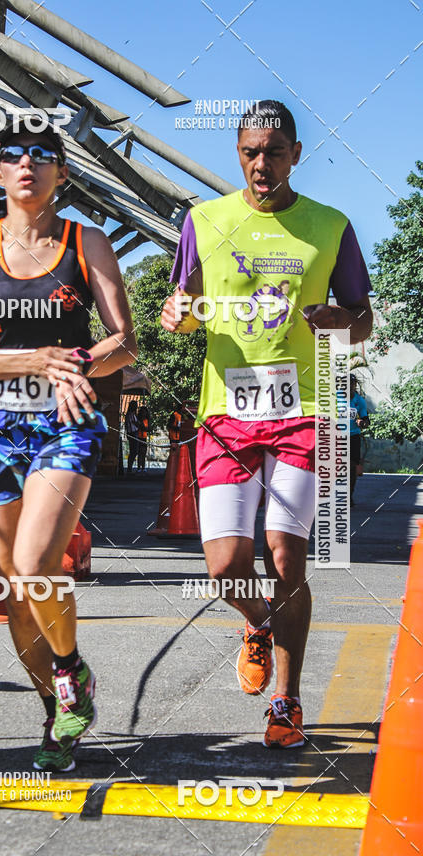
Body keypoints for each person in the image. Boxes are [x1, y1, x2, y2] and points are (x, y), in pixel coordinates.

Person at [161, 100, 373, 748]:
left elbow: (363, 315)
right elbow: (188, 304)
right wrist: (179, 316)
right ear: (238, 153)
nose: (262, 164)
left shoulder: (330, 226)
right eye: (251, 152)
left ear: (296, 155)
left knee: (287, 554)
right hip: (227, 412)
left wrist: (345, 322)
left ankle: (288, 700)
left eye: (274, 153)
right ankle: (256, 623)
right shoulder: (204, 221)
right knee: (228, 565)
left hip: (303, 412)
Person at [0, 120, 136, 771]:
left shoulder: (88, 243)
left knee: (33, 566)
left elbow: (124, 342)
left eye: (43, 156)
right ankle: (58, 716)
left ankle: (72, 669)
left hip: (65, 423)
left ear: (62, 173)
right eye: (12, 156)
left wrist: (74, 360)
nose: (27, 164)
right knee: (17, 595)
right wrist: (34, 359)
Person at [349, 373, 369, 506]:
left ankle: (348, 495)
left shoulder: (359, 401)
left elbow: (366, 420)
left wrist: (361, 422)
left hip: (353, 436)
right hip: (334, 436)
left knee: (351, 467)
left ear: (355, 385)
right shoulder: (334, 398)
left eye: (351, 383)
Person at [125, 399, 139, 474]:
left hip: (132, 432)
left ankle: (129, 468)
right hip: (133, 433)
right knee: (134, 451)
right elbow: (136, 423)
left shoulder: (130, 414)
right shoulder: (131, 414)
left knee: (133, 451)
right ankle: (129, 468)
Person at [137, 404, 150, 472]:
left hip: (144, 437)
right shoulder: (138, 419)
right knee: (139, 453)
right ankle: (139, 467)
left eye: (145, 412)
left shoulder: (147, 420)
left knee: (143, 453)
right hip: (139, 437)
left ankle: (143, 467)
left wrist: (142, 426)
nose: (144, 414)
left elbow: (147, 429)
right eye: (142, 412)